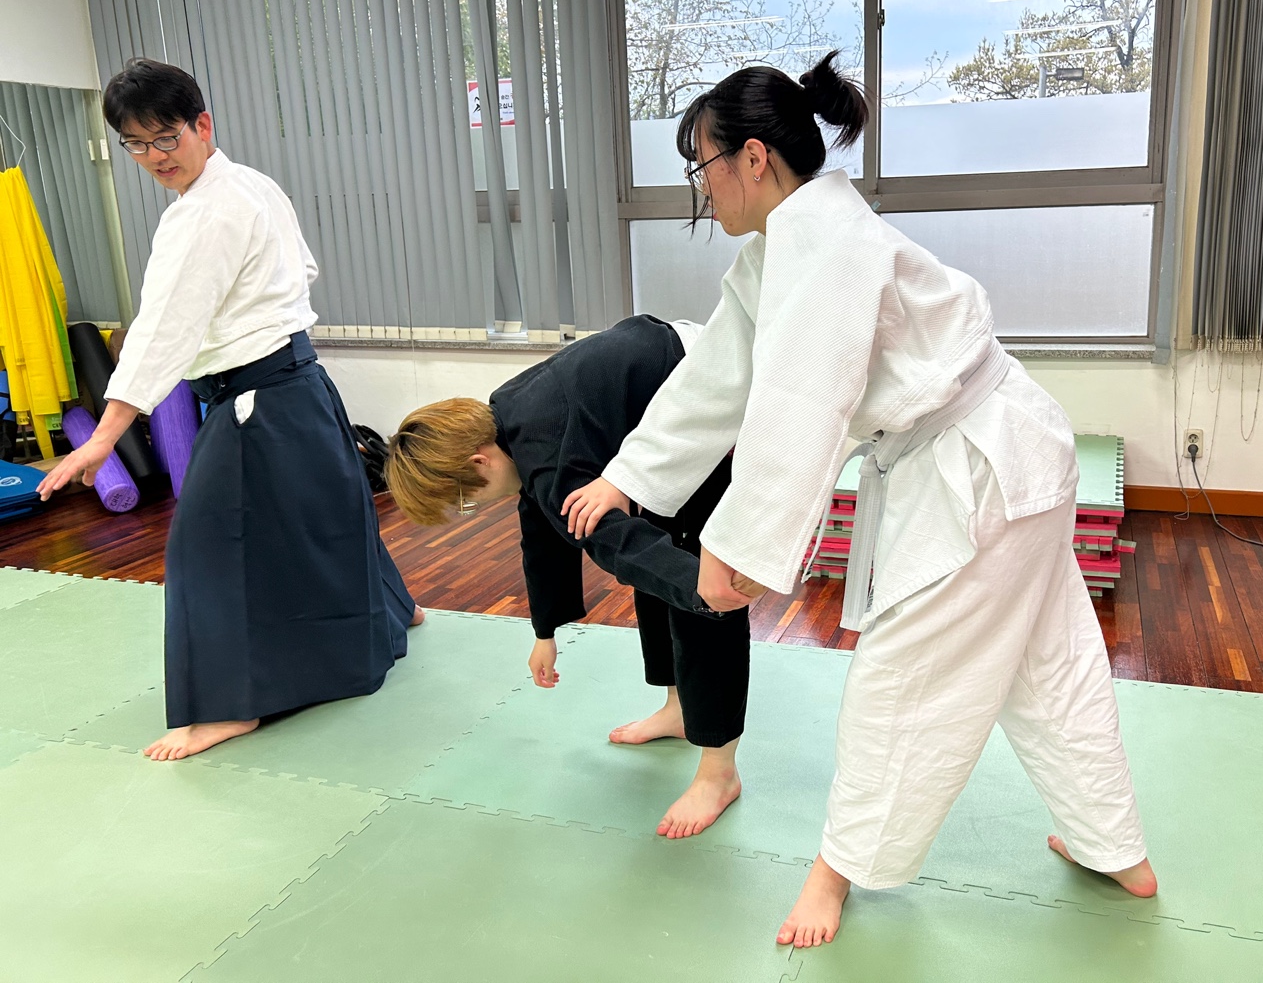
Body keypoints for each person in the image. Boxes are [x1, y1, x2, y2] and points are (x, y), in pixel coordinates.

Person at [562, 51, 1157, 948]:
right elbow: (717, 377)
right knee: (1049, 662)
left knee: (901, 680)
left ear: (753, 157)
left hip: (976, 471)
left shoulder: (826, 246)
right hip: (1013, 453)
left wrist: (735, 553)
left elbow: (800, 403)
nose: (701, 189)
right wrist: (628, 476)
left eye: (703, 164)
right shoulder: (784, 250)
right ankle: (1116, 846)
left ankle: (834, 872)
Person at [38, 58, 419, 761]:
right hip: (302, 384)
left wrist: (104, 437)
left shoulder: (201, 215)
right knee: (326, 517)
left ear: (202, 124)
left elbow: (162, 332)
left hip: (254, 402)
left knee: (204, 550)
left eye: (166, 137)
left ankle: (230, 706)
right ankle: (394, 614)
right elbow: (303, 268)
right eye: (136, 144)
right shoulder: (252, 183)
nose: (154, 157)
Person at [384, 314, 754, 838]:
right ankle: (679, 709)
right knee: (655, 565)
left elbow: (610, 543)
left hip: (707, 386)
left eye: (464, 502)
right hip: (658, 387)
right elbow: (541, 530)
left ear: (479, 461)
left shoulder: (545, 453)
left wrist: (706, 591)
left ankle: (719, 773)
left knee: (692, 586)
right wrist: (545, 631)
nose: (473, 510)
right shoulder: (505, 417)